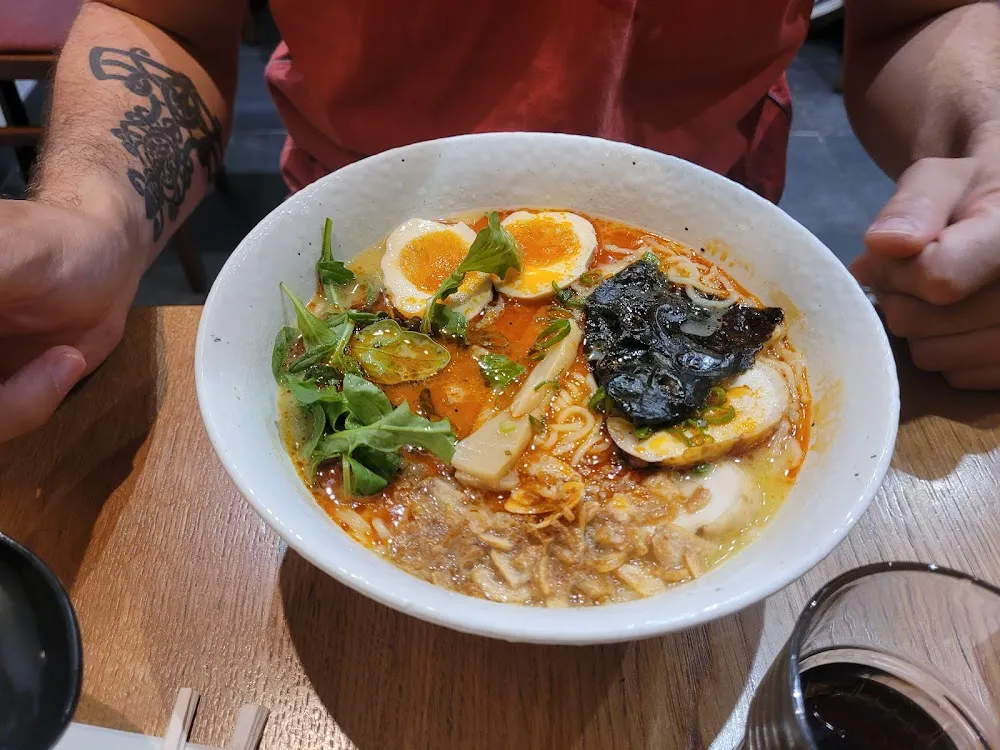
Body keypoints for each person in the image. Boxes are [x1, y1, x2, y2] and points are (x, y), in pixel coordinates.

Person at [2, 0, 999, 443]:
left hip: (708, 237)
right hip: (364, 237)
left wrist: (989, 138)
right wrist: (90, 219)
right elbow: (164, 16)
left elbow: (921, 11)